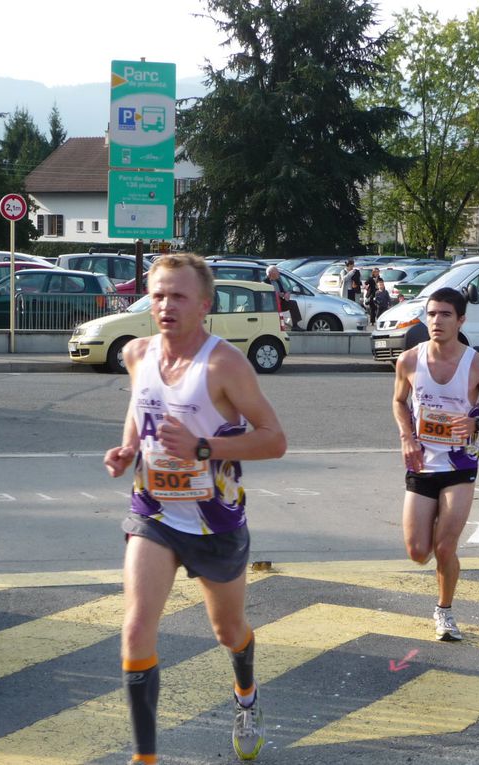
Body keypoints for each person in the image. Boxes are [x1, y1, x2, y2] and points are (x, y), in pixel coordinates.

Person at [104, 253, 287, 764]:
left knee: (228, 631)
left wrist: (202, 448)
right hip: (153, 513)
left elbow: (274, 441)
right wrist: (127, 451)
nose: (165, 305)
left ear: (204, 305)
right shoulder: (137, 354)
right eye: (158, 294)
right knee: (137, 626)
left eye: (178, 296)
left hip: (215, 523)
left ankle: (246, 695)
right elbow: (139, 410)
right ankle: (146, 758)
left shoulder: (224, 363)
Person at [392, 286, 479, 641]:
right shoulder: (409, 360)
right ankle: (436, 528)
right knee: (417, 552)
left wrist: (475, 423)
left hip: (459, 464)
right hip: (422, 462)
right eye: (431, 314)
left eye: (444, 314)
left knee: (445, 546)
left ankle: (444, 611)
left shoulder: (478, 364)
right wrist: (407, 437)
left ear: (461, 320)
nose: (436, 321)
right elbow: (399, 402)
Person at [263, 265, 302, 331]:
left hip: (280, 302)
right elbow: (265, 296)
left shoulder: (277, 281)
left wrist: (286, 293)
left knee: (293, 303)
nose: (279, 274)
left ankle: (295, 325)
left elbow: (283, 291)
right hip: (271, 305)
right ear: (271, 273)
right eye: (277, 272)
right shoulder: (265, 282)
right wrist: (277, 294)